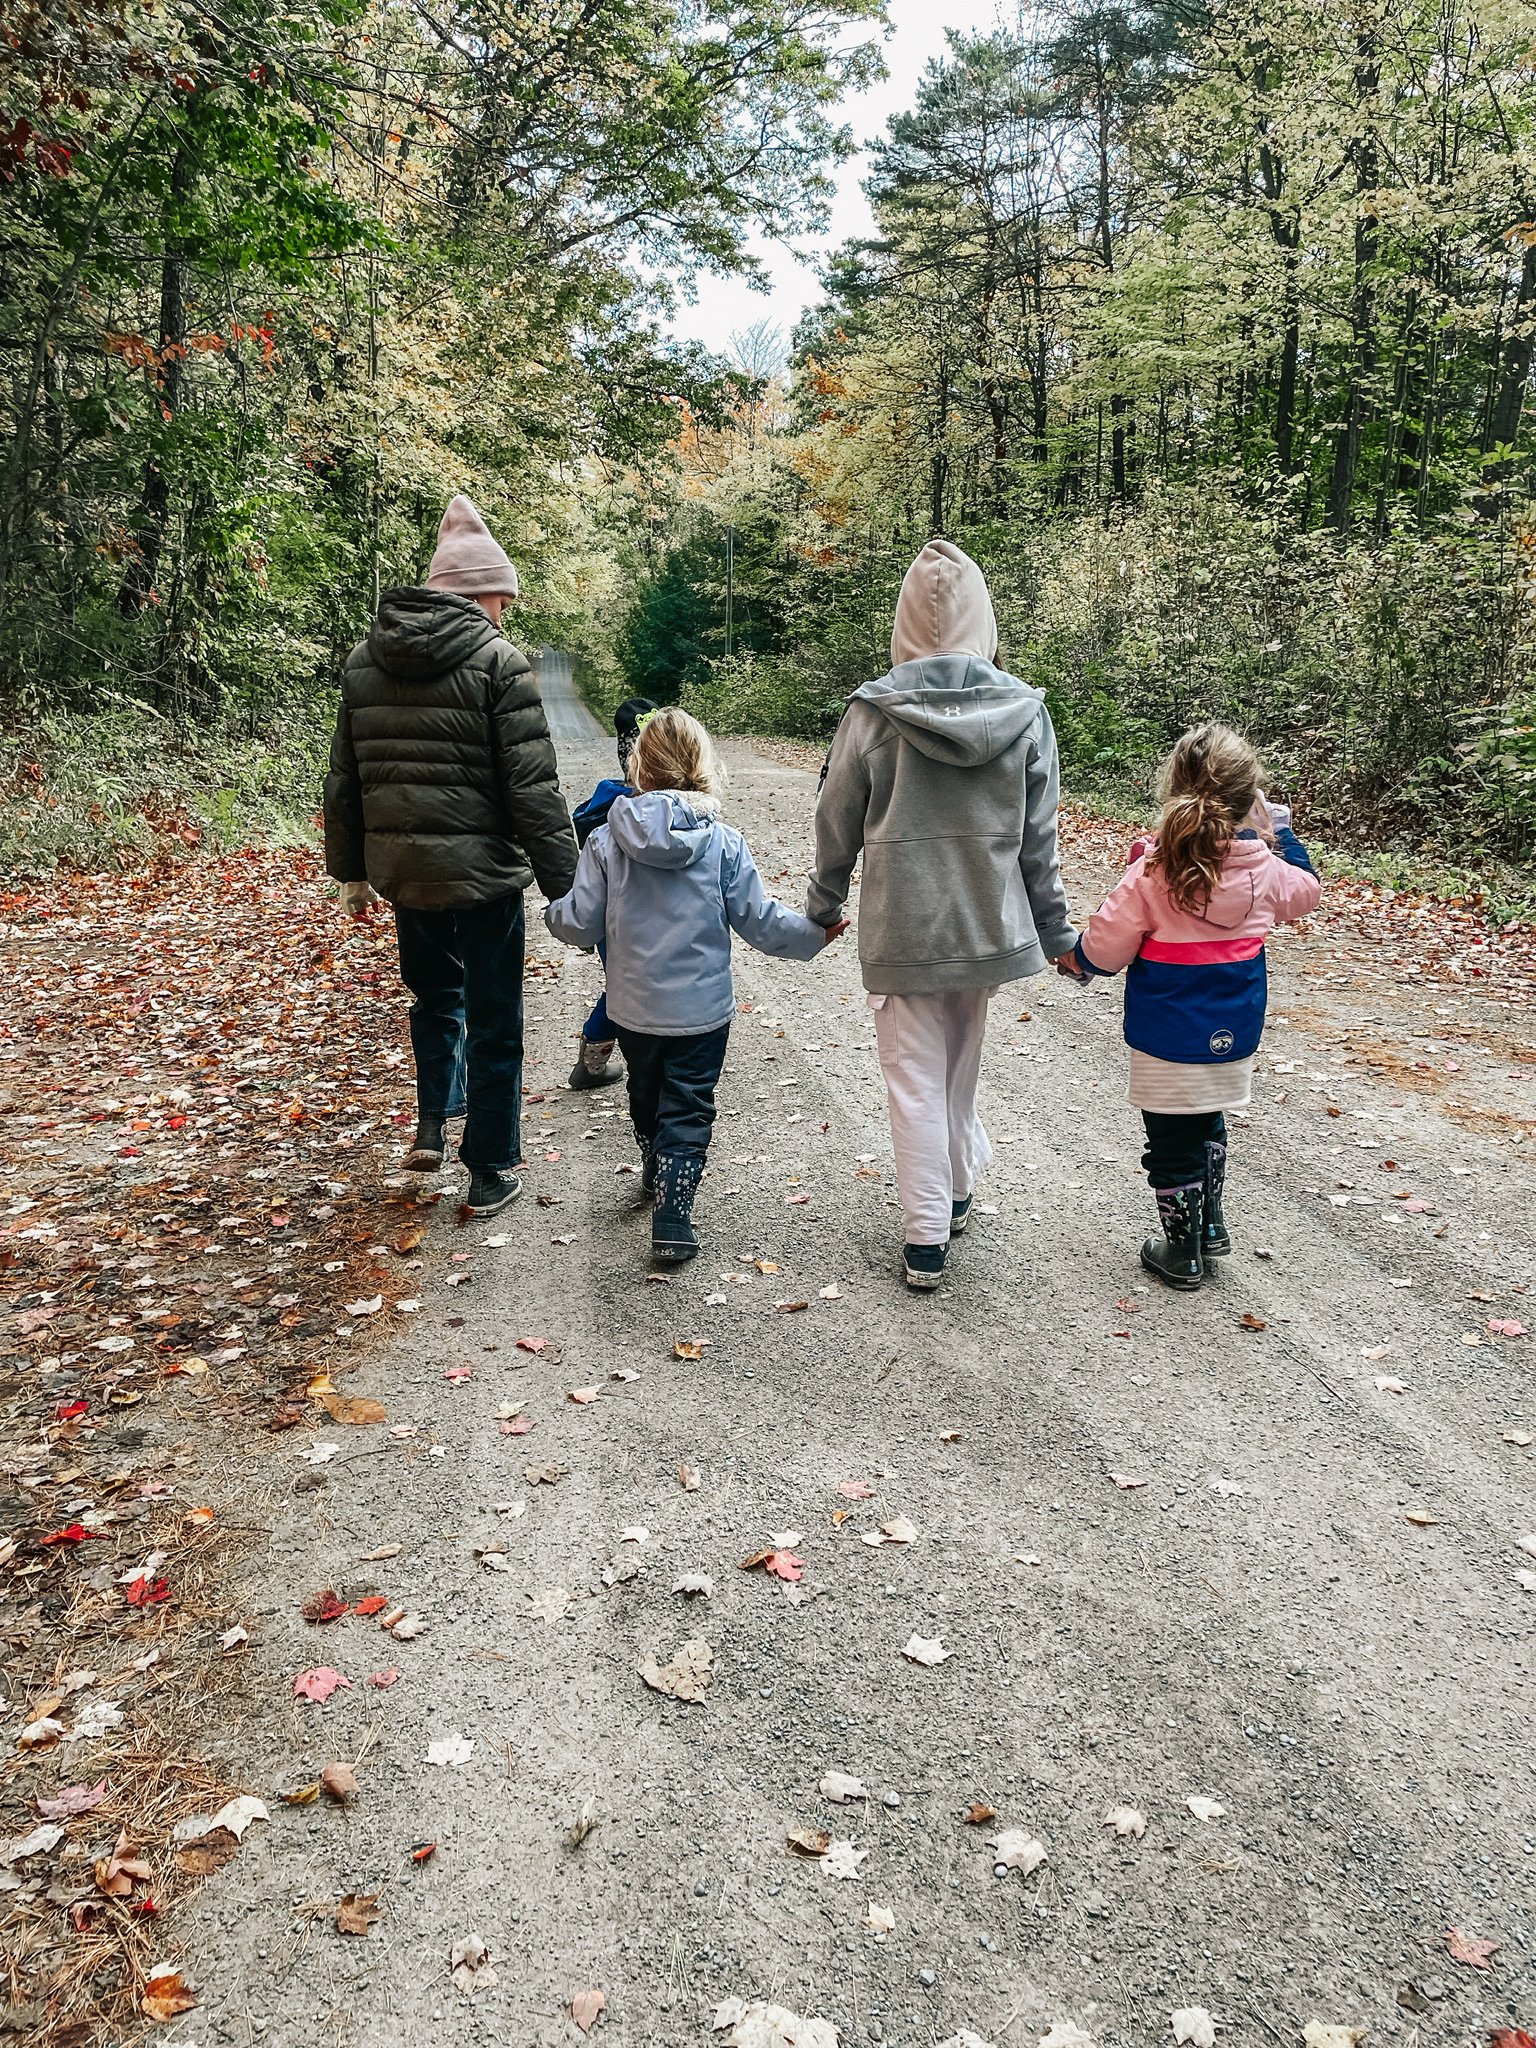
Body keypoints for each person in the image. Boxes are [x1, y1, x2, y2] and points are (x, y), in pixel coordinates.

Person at [807, 539, 1078, 1290]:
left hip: (905, 927)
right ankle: (955, 1190)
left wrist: (822, 905)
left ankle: (926, 1235)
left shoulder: (871, 714)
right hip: (987, 926)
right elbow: (1040, 841)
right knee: (959, 1069)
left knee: (914, 1079)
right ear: (984, 621)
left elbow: (836, 818)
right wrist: (1056, 933)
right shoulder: (1025, 714)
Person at [323, 493, 578, 1216]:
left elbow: (345, 775)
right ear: (486, 592)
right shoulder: (501, 662)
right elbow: (532, 789)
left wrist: (349, 870)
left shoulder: (364, 659)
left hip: (406, 874)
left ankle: (435, 1119)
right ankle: (490, 1168)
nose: (506, 612)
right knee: (497, 1020)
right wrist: (568, 886)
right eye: (505, 598)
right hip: (485, 876)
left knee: (435, 996)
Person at [544, 707, 844, 1264]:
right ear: (701, 765)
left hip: (632, 1005)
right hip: (703, 1011)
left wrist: (551, 914)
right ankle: (674, 1212)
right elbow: (759, 920)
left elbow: (580, 921)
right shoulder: (723, 842)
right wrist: (814, 936)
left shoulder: (607, 842)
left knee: (646, 1091)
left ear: (641, 768)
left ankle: (656, 1166)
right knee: (689, 1104)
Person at [1060, 722, 1321, 1288]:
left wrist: (1077, 961)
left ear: (1174, 789)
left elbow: (1106, 945)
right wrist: (1279, 830)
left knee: (1171, 1138)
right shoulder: (1266, 868)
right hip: (1234, 1022)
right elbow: (1306, 889)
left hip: (1167, 1030)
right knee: (1208, 1119)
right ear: (1248, 797)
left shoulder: (1154, 870)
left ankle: (1183, 1252)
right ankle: (1210, 1225)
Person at [566, 696, 657, 1091]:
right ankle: (598, 1059)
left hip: (607, 916)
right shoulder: (656, 808)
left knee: (622, 980)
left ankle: (593, 1060)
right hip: (651, 910)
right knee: (635, 982)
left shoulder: (601, 808)